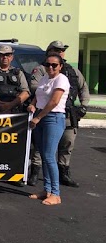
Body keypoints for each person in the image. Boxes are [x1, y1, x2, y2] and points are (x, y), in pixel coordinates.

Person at [28, 41, 90, 187]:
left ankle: (63, 174)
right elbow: (35, 87)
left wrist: (83, 106)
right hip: (45, 112)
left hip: (66, 114)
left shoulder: (72, 71)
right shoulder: (43, 71)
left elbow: (83, 88)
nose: (60, 52)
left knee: (66, 145)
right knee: (41, 149)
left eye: (62, 50)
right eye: (56, 50)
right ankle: (36, 173)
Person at [26, 53, 69, 206]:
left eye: (54, 65)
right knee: (44, 155)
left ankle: (56, 194)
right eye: (48, 64)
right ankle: (47, 190)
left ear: (60, 66)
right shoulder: (45, 78)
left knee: (50, 156)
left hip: (53, 118)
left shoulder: (61, 79)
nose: (50, 67)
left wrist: (38, 117)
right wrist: (32, 104)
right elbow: (38, 96)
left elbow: (54, 101)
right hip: (41, 116)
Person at [0, 44, 30, 113]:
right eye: (2, 55)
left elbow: (26, 93)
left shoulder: (18, 72)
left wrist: (10, 105)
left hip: (14, 111)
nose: (5, 57)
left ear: (12, 57)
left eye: (8, 55)